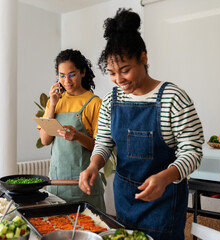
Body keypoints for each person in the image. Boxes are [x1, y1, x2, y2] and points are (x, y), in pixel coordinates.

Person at [79, 8, 204, 240]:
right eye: (112, 73)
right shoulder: (110, 101)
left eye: (125, 70)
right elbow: (104, 143)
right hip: (125, 201)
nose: (119, 80)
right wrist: (93, 166)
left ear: (143, 58)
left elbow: (193, 151)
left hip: (164, 203)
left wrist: (165, 177)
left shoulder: (174, 98)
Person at [39, 49, 106, 211]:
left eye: (72, 74)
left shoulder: (94, 103)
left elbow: (101, 147)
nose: (66, 80)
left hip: (83, 184)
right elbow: (45, 140)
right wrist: (53, 104)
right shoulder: (54, 101)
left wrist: (77, 136)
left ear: (83, 72)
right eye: (62, 75)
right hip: (57, 183)